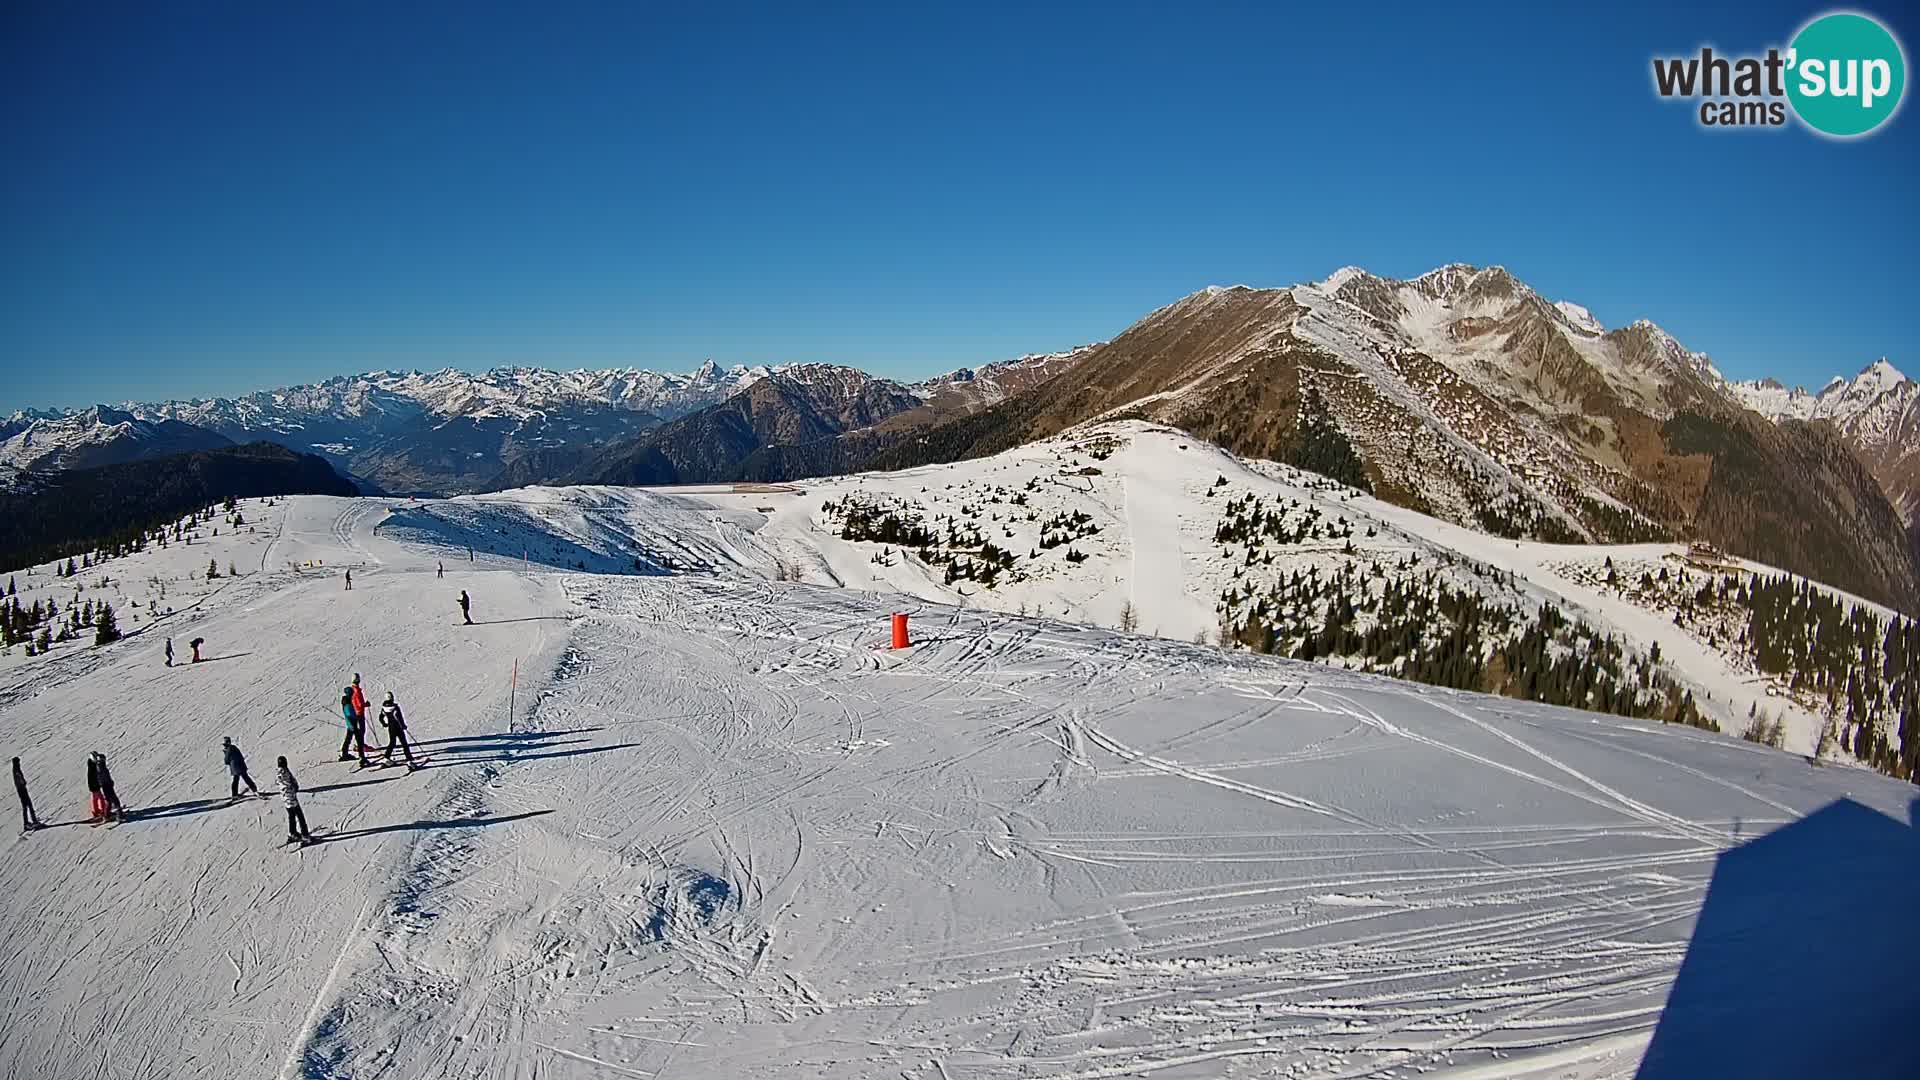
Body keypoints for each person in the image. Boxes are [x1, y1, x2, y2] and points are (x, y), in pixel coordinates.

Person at [276, 757, 313, 844]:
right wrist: (295, 787)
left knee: (291, 816)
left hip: (285, 799)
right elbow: (290, 784)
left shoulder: (278, 772)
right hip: (291, 799)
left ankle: (292, 833)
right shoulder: (285, 773)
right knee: (300, 817)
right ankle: (305, 836)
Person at [378, 693, 415, 766]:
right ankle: (409, 759)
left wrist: (384, 724)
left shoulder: (384, 708)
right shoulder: (395, 707)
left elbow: (380, 717)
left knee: (392, 743)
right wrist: (403, 725)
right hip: (398, 727)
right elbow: (399, 718)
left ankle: (386, 758)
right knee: (404, 743)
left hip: (391, 728)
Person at [338, 686, 369, 765]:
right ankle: (362, 758)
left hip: (350, 723)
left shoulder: (346, 701)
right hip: (352, 723)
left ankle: (344, 753)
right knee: (359, 739)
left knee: (348, 738)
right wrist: (353, 723)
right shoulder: (348, 703)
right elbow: (349, 714)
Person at [94, 752, 124, 822]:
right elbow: (104, 778)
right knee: (115, 801)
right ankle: (119, 816)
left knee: (109, 801)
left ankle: (106, 815)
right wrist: (109, 783)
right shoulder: (101, 768)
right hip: (107, 786)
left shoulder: (100, 767)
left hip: (106, 786)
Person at [12, 757, 37, 832]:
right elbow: (19, 778)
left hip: (21, 789)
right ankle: (31, 822)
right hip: (22, 790)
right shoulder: (16, 770)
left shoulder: (16, 769)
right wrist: (23, 782)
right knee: (27, 805)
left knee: (26, 806)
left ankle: (28, 822)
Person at [85, 754, 105, 824]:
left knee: (95, 798)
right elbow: (94, 778)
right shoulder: (92, 767)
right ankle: (103, 810)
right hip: (94, 786)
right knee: (100, 798)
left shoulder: (91, 765)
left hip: (92, 786)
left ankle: (95, 811)